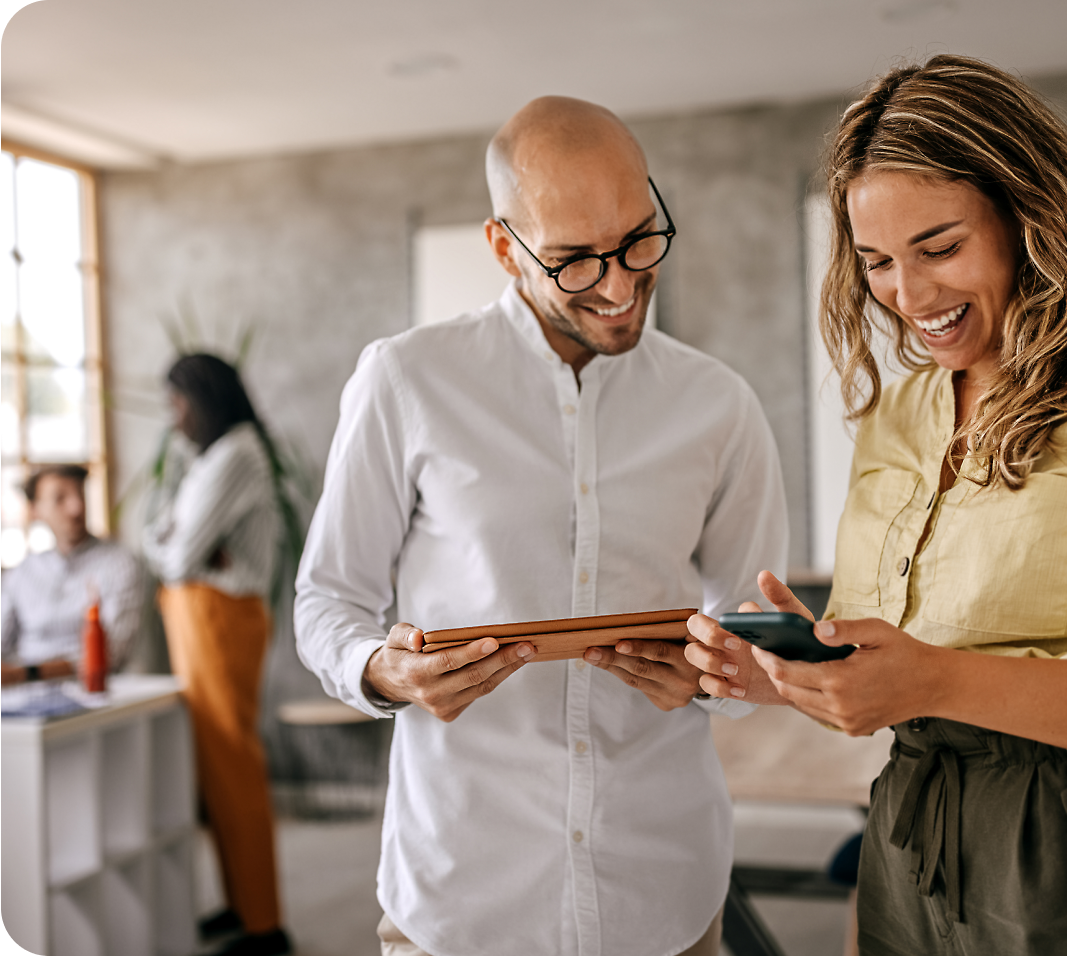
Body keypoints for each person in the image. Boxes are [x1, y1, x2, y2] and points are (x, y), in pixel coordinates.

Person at [688, 55, 1067, 954]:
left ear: (1029, 218)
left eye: (940, 247)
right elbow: (894, 657)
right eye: (877, 261)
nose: (908, 297)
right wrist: (770, 674)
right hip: (911, 837)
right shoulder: (901, 414)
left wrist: (931, 678)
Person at [294, 96, 788, 956]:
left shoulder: (720, 406)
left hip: (665, 888)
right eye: (572, 260)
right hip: (461, 890)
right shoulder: (405, 380)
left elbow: (756, 626)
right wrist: (385, 670)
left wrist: (716, 676)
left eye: (640, 238)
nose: (619, 283)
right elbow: (327, 599)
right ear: (502, 246)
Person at [143, 353, 291, 956]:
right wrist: (174, 542)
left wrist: (176, 544)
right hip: (200, 617)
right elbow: (163, 537)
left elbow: (174, 555)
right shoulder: (210, 457)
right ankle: (241, 905)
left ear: (203, 399)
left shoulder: (235, 454)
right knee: (216, 770)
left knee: (233, 764)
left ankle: (265, 924)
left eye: (179, 403)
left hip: (220, 619)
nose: (174, 418)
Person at [1, 464, 145, 685]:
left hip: (91, 688)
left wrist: (29, 673)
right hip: (22, 692)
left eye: (80, 495)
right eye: (60, 498)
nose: (76, 508)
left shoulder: (120, 563)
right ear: (34, 510)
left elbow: (111, 653)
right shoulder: (21, 574)